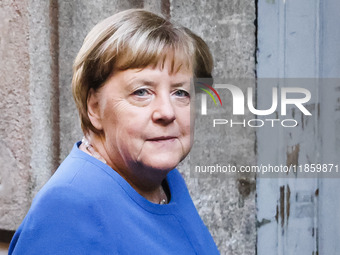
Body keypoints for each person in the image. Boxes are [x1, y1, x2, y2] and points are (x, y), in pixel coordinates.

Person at [9, 9, 219, 254]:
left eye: (180, 92)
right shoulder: (68, 206)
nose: (167, 112)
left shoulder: (166, 181)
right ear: (95, 108)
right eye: (141, 92)